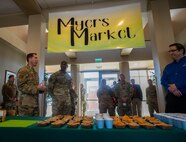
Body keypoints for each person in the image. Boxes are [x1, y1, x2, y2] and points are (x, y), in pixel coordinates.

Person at [161, 43, 186, 113]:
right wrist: (171, 89)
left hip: (184, 96)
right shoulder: (168, 66)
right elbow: (163, 80)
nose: (171, 53)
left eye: (173, 50)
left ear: (181, 51)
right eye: (170, 51)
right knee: (169, 120)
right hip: (171, 98)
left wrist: (177, 85)